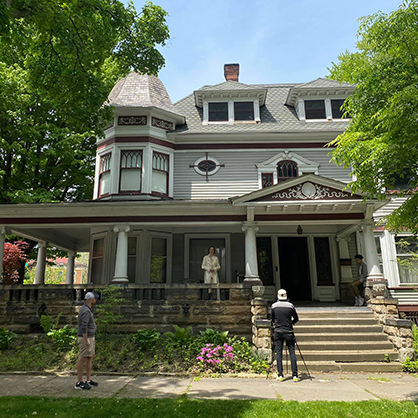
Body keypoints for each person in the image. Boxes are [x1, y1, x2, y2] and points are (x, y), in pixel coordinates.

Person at [271, 288, 300, 382]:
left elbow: (272, 319)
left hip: (278, 331)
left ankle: (280, 374)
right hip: (289, 331)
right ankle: (295, 374)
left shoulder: (274, 306)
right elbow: (296, 318)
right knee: (292, 353)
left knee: (279, 353)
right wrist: (291, 323)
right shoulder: (290, 306)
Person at [75, 292, 98, 390]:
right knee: (82, 358)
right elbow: (83, 326)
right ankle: (79, 382)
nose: (96, 300)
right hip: (86, 338)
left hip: (90, 337)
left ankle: (88, 380)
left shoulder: (88, 309)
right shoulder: (85, 311)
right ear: (91, 299)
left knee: (90, 357)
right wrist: (86, 340)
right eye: (94, 298)